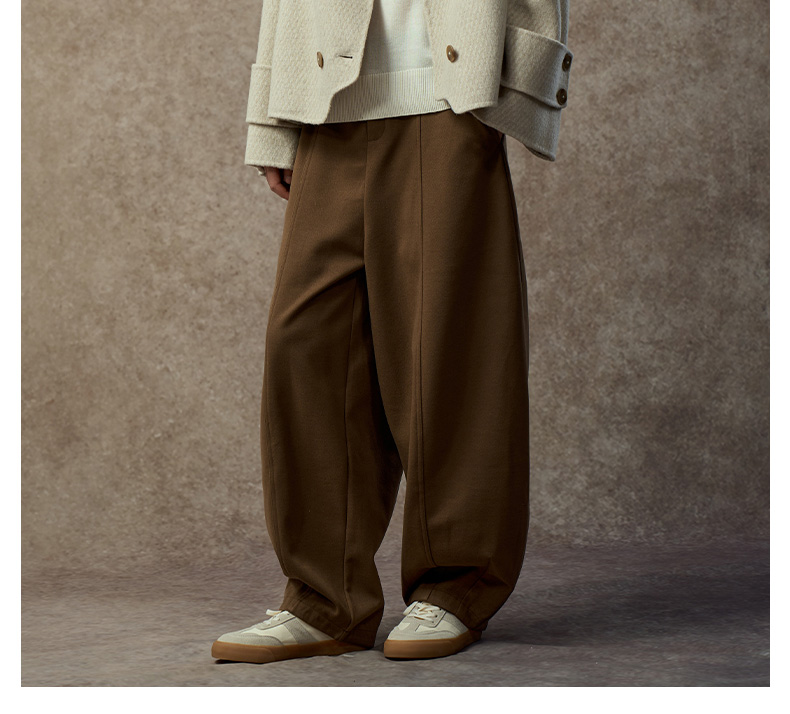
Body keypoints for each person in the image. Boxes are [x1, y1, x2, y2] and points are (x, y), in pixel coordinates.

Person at [212, 0, 573, 664]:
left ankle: (455, 588)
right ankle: (323, 602)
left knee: (449, 354)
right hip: (328, 103)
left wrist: (523, 83)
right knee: (308, 348)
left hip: (448, 102)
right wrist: (271, 123)